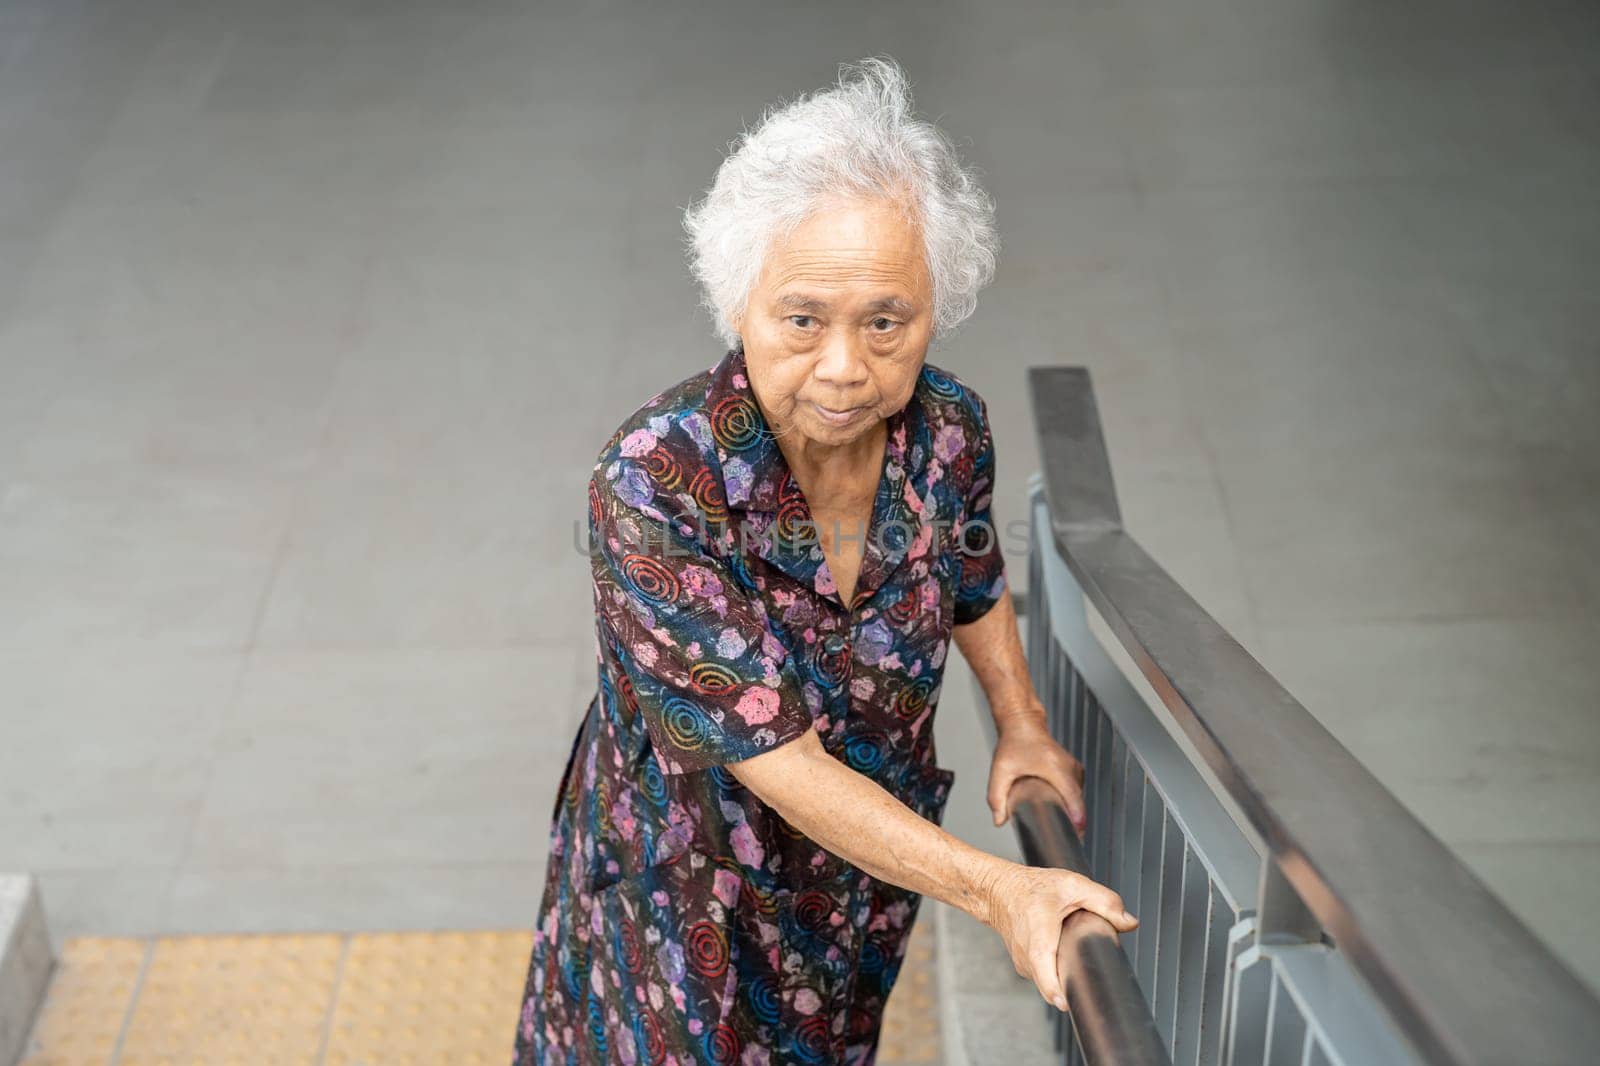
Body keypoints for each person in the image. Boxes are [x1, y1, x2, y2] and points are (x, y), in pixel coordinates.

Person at [512, 55, 1136, 1066]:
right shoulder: (655, 481)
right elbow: (779, 759)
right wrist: (999, 888)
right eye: (802, 319)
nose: (846, 366)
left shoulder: (946, 430)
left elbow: (972, 576)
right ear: (740, 305)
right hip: (684, 914)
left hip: (858, 894)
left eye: (885, 321)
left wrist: (1021, 723)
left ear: (935, 305)